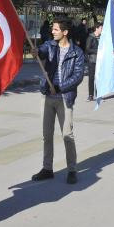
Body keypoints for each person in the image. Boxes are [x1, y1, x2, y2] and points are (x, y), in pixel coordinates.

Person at [31, 17, 85, 184]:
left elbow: (78, 76)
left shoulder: (77, 52)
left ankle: (72, 170)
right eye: (52, 29)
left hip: (64, 98)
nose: (52, 31)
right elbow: (42, 51)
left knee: (67, 135)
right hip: (47, 97)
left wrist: (60, 87)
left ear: (65, 32)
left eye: (55, 29)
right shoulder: (50, 45)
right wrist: (36, 52)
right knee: (47, 135)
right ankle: (47, 168)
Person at [85, 23, 102, 101]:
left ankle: (99, 95)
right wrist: (98, 51)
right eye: (101, 28)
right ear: (96, 28)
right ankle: (90, 95)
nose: (102, 30)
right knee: (91, 78)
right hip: (92, 60)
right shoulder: (91, 37)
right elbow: (87, 49)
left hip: (100, 61)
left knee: (99, 78)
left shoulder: (102, 37)